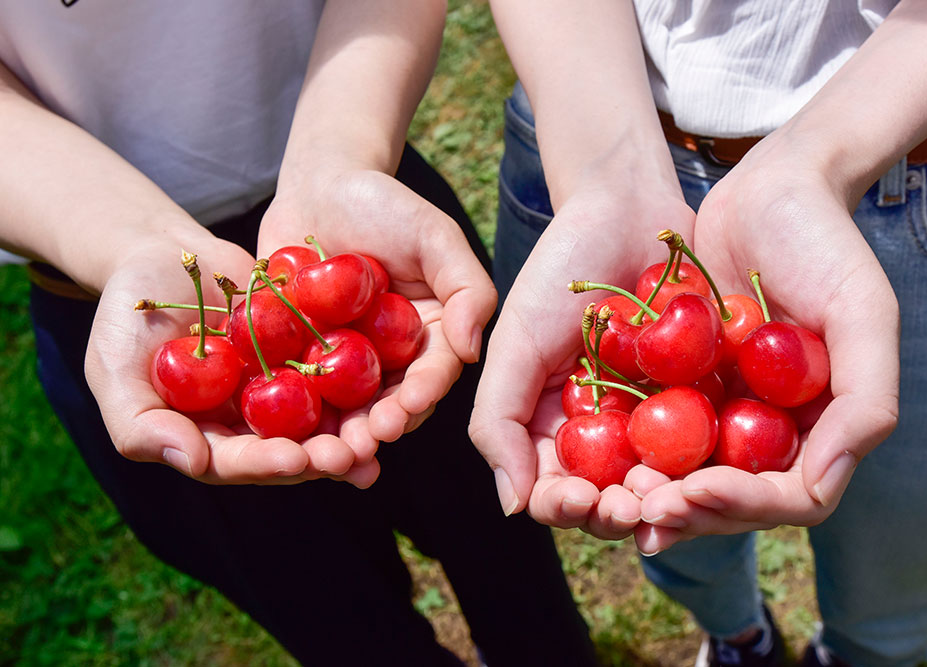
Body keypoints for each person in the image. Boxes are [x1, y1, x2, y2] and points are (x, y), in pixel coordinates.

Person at [0, 2, 597, 665]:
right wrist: (128, 241)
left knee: (508, 553)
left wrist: (339, 154)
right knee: (344, 632)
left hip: (359, 229)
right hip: (121, 284)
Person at [470, 1, 927, 665]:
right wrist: (607, 170)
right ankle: (739, 636)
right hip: (592, 133)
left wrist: (814, 160)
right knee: (672, 528)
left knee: (903, 552)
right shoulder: (637, 329)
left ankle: (865, 655)